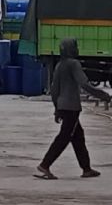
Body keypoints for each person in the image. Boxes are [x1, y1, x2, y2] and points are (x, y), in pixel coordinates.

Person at [36, 37, 111, 179]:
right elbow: (84, 84)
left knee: (78, 137)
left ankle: (86, 169)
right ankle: (45, 165)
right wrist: (104, 95)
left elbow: (54, 89)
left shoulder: (60, 65)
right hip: (72, 107)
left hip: (63, 106)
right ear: (72, 49)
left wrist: (57, 109)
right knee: (64, 137)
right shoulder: (74, 64)